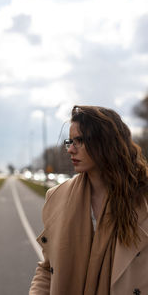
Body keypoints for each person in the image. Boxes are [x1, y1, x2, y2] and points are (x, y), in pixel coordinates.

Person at [29, 105, 148, 295]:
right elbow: (48, 268)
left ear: (106, 143)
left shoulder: (142, 200)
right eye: (70, 142)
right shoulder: (57, 197)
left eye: (80, 141)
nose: (70, 150)